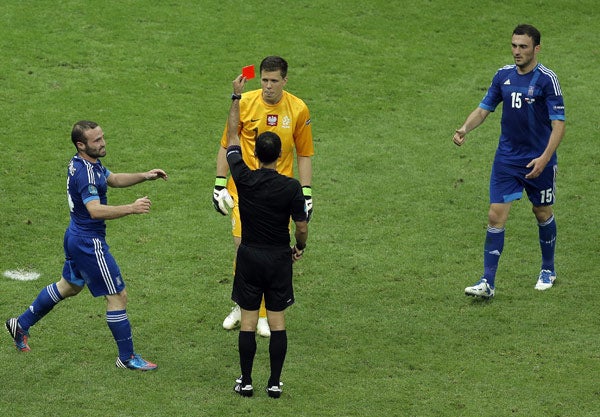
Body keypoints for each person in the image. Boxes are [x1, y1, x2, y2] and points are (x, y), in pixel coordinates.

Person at [5, 120, 168, 370]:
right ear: (81, 145)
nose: (103, 143)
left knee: (69, 286)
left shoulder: (85, 163)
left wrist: (145, 176)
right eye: (96, 140)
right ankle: (126, 358)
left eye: (102, 137)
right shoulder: (86, 174)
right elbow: (94, 210)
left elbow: (112, 179)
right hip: (88, 243)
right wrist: (131, 208)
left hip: (75, 236)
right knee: (117, 295)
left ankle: (21, 324)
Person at [453, 24, 565, 298]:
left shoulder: (547, 80)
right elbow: (484, 109)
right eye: (514, 45)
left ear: (536, 48)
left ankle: (548, 269)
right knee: (495, 215)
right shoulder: (503, 75)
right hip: (507, 158)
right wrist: (465, 128)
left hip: (539, 160)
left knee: (542, 212)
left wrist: (545, 158)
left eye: (523, 46)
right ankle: (487, 282)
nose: (517, 51)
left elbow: (559, 125)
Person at [213, 56, 314, 337]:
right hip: (245, 191)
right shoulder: (244, 103)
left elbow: (304, 153)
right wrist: (219, 183)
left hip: (280, 195)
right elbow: (227, 143)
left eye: (274, 81)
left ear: (285, 80)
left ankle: (263, 314)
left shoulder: (298, 109)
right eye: (264, 80)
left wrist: (306, 192)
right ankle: (242, 306)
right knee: (242, 248)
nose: (268, 86)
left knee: (273, 252)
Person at [225, 74, 308, 398]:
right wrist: (299, 247)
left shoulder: (243, 178)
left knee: (247, 323)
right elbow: (301, 226)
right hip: (278, 258)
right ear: (280, 154)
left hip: (249, 256)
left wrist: (236, 97)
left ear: (256, 154)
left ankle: (246, 381)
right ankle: (274, 383)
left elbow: (233, 137)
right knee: (277, 323)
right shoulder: (291, 187)